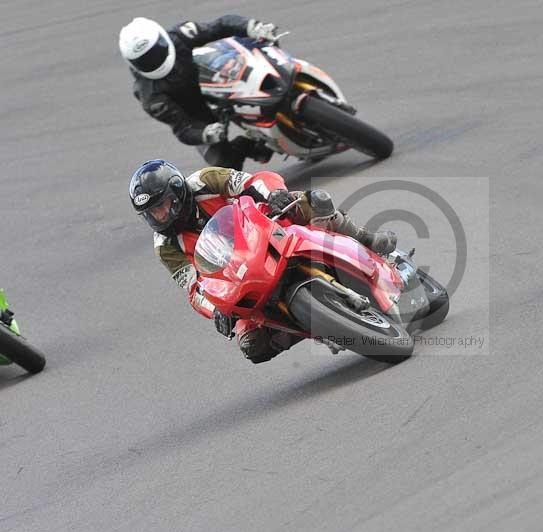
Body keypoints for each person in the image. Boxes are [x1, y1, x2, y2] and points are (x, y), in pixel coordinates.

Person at [128, 160, 397, 363]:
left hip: (265, 227)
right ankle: (320, 325)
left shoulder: (204, 181)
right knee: (252, 346)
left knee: (314, 201)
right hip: (236, 276)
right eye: (152, 213)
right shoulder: (165, 247)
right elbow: (194, 287)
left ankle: (365, 238)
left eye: (164, 205)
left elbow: (251, 181)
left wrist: (274, 193)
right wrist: (216, 309)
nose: (161, 216)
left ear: (178, 192)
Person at [119, 16, 278, 170]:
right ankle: (248, 145)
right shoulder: (149, 96)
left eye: (156, 50)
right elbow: (182, 128)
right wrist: (206, 134)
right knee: (224, 166)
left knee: (264, 50)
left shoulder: (180, 35)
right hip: (199, 116)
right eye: (145, 59)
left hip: (222, 80)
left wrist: (252, 27)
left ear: (162, 38)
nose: (153, 59)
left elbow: (220, 26)